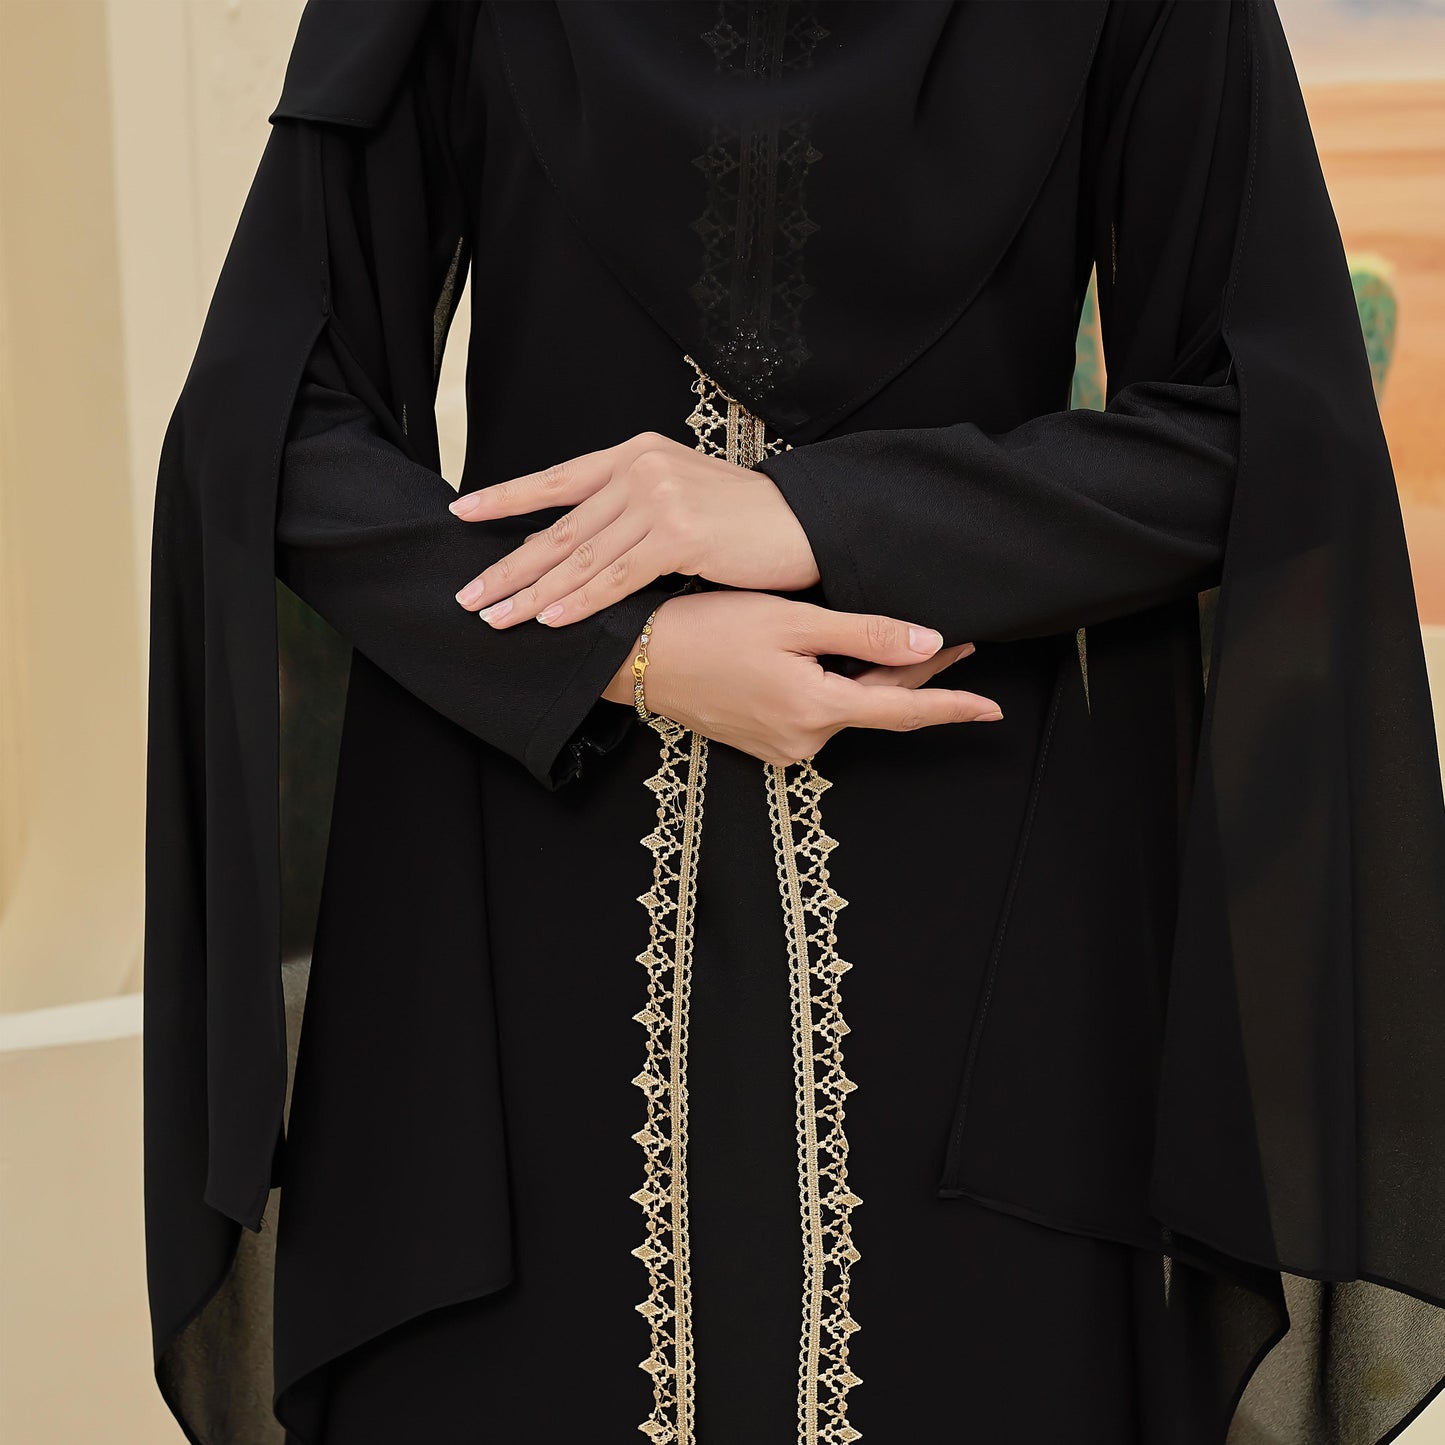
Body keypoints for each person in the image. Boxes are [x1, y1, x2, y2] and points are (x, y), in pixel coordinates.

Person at [142, 3, 1445, 1442]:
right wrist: (623, 647)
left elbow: (1268, 427)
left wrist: (816, 515)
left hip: (984, 957)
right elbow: (266, 431)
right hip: (514, 959)